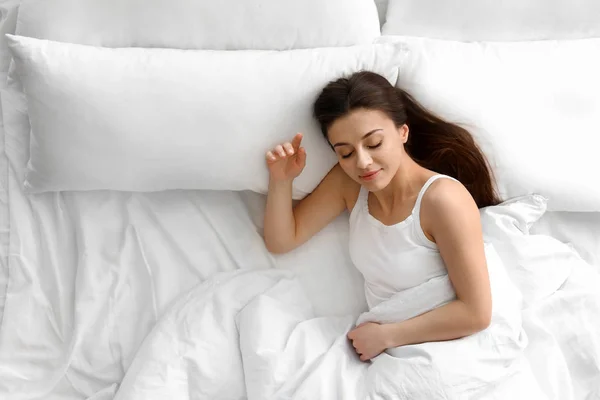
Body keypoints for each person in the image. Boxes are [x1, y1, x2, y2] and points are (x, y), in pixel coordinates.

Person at [262, 71, 501, 363]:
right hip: (386, 345)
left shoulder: (442, 200)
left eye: (374, 143)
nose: (362, 162)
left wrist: (387, 335)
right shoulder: (349, 183)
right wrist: (281, 181)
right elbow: (282, 240)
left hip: (448, 341)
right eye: (346, 153)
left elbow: (476, 313)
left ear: (403, 132)